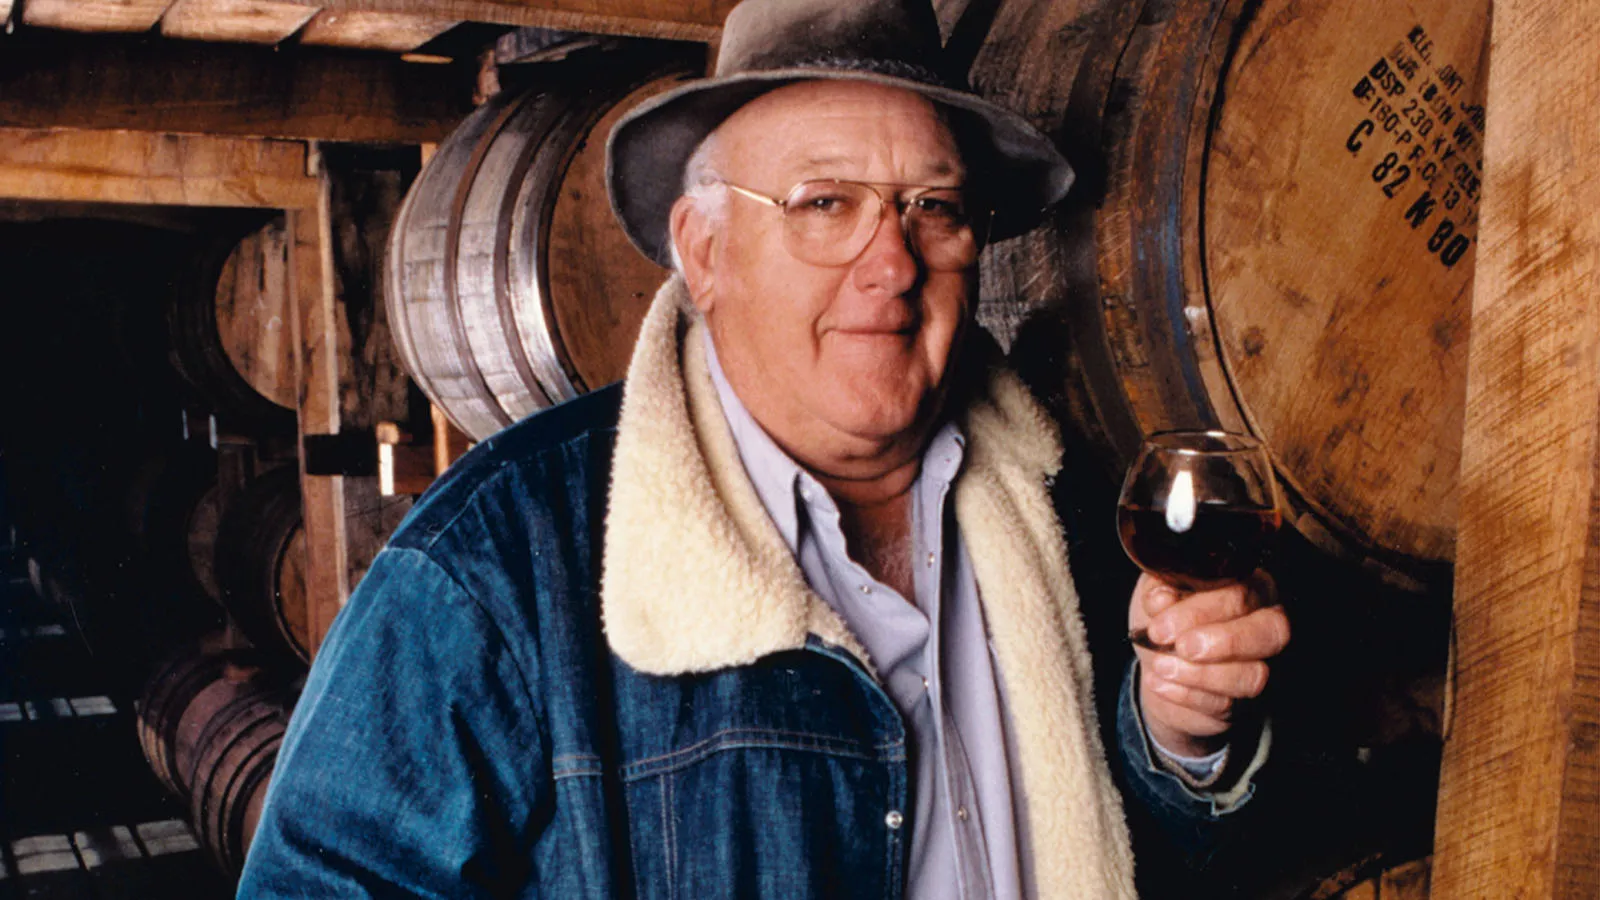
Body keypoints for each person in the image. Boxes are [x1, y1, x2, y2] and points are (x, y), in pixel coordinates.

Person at [238, 0, 1289, 896]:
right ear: (704, 252)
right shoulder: (499, 565)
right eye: (822, 205)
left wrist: (1178, 740)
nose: (891, 261)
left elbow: (1129, 851)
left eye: (932, 207)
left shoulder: (1061, 502)